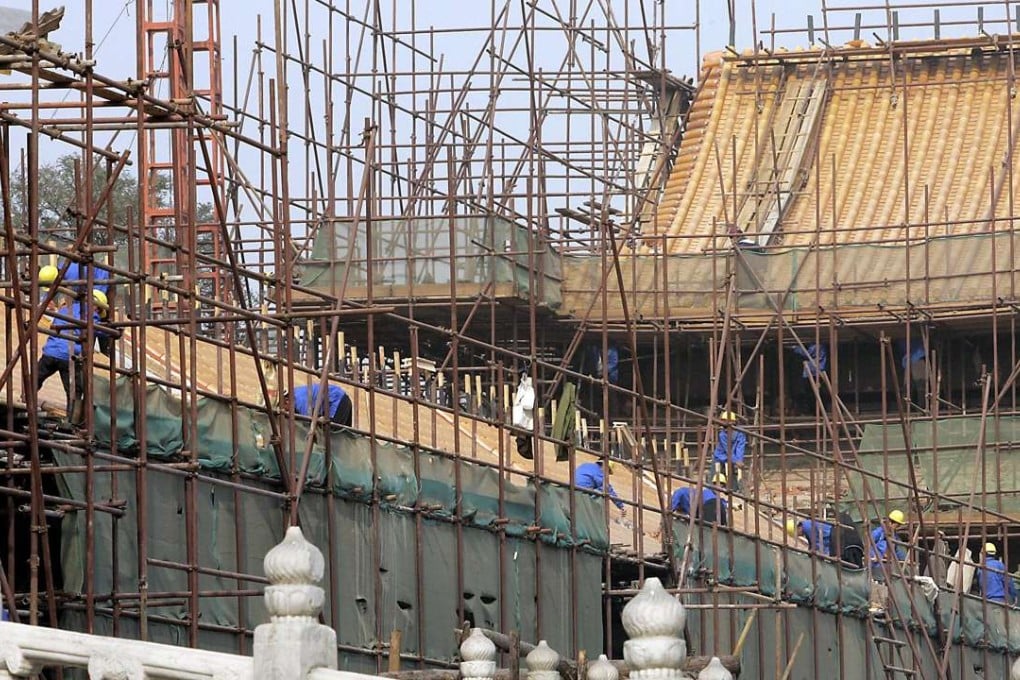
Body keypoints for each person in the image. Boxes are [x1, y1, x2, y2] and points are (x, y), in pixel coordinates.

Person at [37, 299, 87, 416]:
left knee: (35, 378)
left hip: (51, 351)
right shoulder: (90, 314)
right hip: (68, 356)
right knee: (74, 391)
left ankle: (25, 398)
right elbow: (97, 330)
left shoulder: (64, 310)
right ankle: (72, 417)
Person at [289, 383, 353, 427]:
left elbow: (307, 421)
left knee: (332, 431)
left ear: (286, 401)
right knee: (345, 434)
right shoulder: (298, 392)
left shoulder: (299, 400)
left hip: (337, 401)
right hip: (340, 399)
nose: (288, 412)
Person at [869, 509, 907, 579]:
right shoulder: (878, 533)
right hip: (876, 566)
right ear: (891, 523)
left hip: (888, 566)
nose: (897, 527)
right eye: (897, 525)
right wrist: (874, 555)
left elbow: (898, 551)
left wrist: (905, 560)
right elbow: (868, 545)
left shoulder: (895, 537)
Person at [713, 411, 745, 491]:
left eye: (725, 421)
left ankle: (735, 491)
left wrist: (739, 460)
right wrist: (736, 461)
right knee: (715, 479)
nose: (723, 423)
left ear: (732, 422)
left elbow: (740, 448)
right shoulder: (723, 434)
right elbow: (727, 450)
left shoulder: (740, 433)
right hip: (720, 458)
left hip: (731, 459)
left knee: (732, 482)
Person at [792, 341, 828, 414]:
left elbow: (807, 354)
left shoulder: (818, 345)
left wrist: (796, 348)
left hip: (816, 373)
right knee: (810, 393)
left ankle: (818, 411)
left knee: (815, 393)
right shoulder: (814, 345)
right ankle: (814, 410)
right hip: (810, 373)